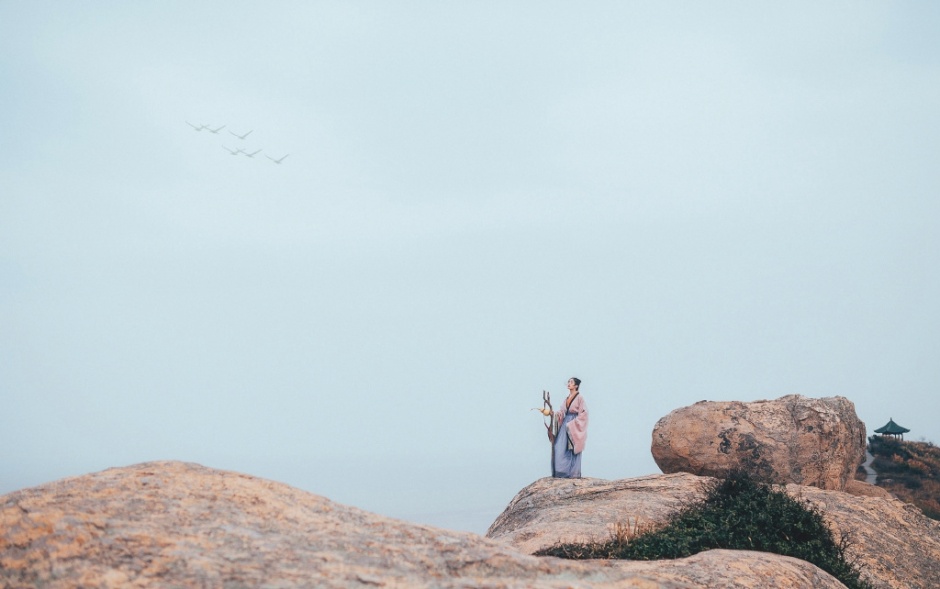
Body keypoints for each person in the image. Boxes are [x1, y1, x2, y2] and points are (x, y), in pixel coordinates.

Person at [552, 377, 588, 478]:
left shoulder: (580, 398)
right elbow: (562, 411)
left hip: (574, 423)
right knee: (560, 446)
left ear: (576, 386)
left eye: (571, 382)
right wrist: (553, 414)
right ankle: (563, 472)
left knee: (573, 448)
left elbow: (584, 413)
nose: (569, 383)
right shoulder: (567, 398)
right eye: (568, 382)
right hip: (565, 424)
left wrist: (575, 422)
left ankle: (573, 473)